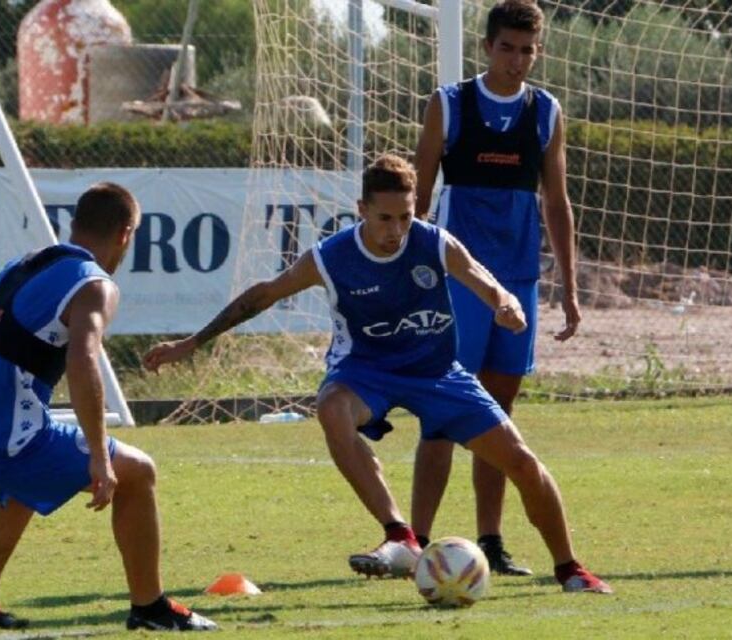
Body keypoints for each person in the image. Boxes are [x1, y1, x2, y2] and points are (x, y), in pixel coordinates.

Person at [143, 154, 610, 593]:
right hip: (367, 372)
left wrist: (504, 304)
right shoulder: (332, 256)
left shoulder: (432, 241)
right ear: (362, 209)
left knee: (523, 462)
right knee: (331, 408)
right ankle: (401, 535)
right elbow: (263, 295)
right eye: (385, 218)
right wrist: (191, 343)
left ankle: (571, 568)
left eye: (405, 217)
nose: (396, 230)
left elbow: (482, 279)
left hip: (438, 373)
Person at [0, 182, 217, 632]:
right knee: (138, 472)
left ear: (74, 224)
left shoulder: (21, 266)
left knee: (24, 482)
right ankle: (151, 609)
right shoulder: (95, 285)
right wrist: (101, 458)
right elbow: (82, 361)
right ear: (125, 234)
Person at [412, 0, 581, 576]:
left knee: (496, 413)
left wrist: (570, 287)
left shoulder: (546, 112)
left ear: (539, 52)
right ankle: (415, 543)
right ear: (487, 47)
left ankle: (491, 541)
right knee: (441, 408)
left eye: (527, 50)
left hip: (518, 281)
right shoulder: (450, 105)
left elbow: (556, 202)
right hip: (459, 282)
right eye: (507, 48)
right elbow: (417, 202)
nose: (516, 60)